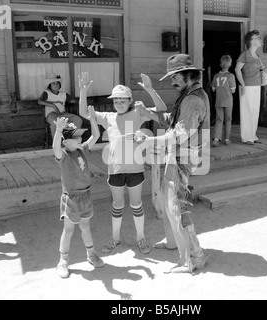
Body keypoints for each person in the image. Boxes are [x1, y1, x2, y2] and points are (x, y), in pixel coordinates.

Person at [134, 54, 209, 274]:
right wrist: (150, 113)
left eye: (175, 76)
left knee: (177, 207)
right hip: (179, 155)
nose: (172, 81)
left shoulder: (193, 99)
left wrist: (149, 140)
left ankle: (195, 258)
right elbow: (174, 120)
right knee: (172, 206)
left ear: (188, 75)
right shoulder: (189, 95)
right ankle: (184, 249)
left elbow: (179, 134)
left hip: (182, 156)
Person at [79, 73, 167, 255]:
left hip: (135, 168)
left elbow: (161, 109)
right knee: (117, 205)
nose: (118, 103)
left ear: (130, 101)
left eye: (122, 100)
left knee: (136, 204)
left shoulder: (138, 112)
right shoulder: (108, 117)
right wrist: (83, 89)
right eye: (116, 100)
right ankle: (115, 238)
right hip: (115, 169)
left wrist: (150, 90)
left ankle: (141, 238)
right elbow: (83, 113)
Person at [52, 76, 104, 278]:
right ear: (66, 142)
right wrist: (58, 130)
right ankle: (63, 260)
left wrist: (92, 120)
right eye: (75, 137)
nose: (79, 138)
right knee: (69, 229)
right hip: (71, 198)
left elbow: (96, 136)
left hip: (86, 196)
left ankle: (91, 254)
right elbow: (56, 146)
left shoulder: (82, 149)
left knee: (85, 227)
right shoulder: (63, 156)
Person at [235, 30, 267, 145]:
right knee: (247, 111)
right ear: (251, 40)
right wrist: (242, 84)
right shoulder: (245, 54)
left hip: (257, 85)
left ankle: (252, 135)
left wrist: (264, 70)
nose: (259, 40)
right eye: (257, 38)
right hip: (247, 86)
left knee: (254, 111)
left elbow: (262, 68)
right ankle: (246, 137)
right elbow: (237, 69)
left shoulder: (257, 56)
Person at [38, 73, 83, 138]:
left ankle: (75, 140)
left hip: (63, 114)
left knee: (78, 120)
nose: (56, 85)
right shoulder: (46, 93)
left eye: (57, 83)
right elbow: (39, 101)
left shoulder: (63, 94)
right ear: (50, 85)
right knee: (55, 123)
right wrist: (53, 105)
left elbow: (73, 101)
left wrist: (82, 94)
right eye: (53, 83)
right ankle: (57, 144)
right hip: (51, 115)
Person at [211, 55, 237, 147]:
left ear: (220, 64)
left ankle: (216, 139)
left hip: (218, 101)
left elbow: (213, 89)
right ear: (230, 64)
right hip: (228, 101)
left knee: (219, 120)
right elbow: (233, 90)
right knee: (228, 120)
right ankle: (227, 139)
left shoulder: (216, 76)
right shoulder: (231, 76)